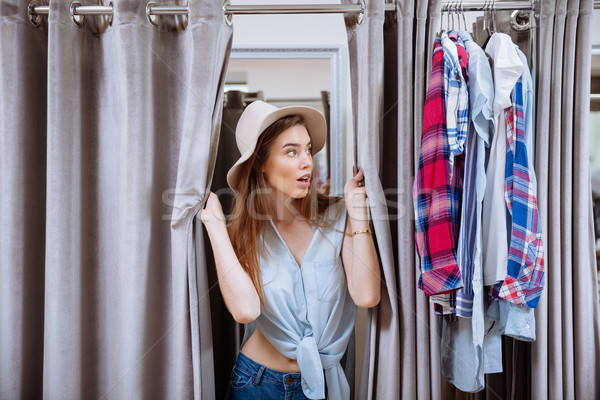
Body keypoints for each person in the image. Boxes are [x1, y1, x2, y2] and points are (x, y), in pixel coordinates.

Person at [201, 101, 381, 400]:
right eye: (291, 151)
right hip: (257, 384)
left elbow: (366, 295)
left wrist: (358, 212)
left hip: (323, 383)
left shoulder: (337, 214)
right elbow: (245, 311)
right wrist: (216, 228)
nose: (307, 162)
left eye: (308, 149)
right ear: (260, 162)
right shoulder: (244, 233)